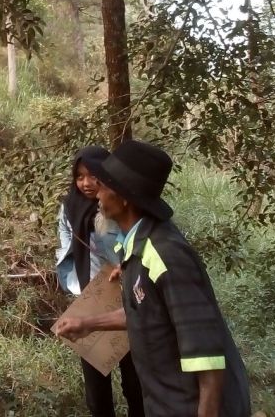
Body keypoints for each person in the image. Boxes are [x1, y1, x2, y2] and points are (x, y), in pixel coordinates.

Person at [54, 140, 251, 417]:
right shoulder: (136, 249)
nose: (97, 193)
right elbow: (144, 313)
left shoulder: (166, 255)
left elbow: (206, 352)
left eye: (104, 186)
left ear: (124, 197)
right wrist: (87, 324)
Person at [55, 146, 145, 417]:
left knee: (135, 382)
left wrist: (126, 268)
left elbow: (138, 242)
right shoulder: (69, 208)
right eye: (79, 176)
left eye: (93, 176)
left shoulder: (120, 204)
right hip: (93, 299)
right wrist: (80, 290)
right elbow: (65, 252)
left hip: (128, 296)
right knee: (96, 390)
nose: (86, 183)